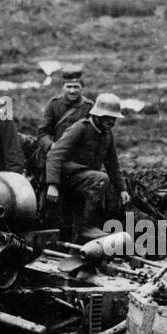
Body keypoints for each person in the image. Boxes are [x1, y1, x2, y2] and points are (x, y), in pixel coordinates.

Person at [45, 92, 132, 240]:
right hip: (67, 177)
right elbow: (55, 154)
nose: (112, 122)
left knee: (106, 184)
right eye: (108, 117)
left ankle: (89, 229)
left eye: (114, 118)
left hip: (86, 179)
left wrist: (122, 190)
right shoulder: (80, 128)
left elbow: (113, 164)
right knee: (101, 179)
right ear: (97, 115)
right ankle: (86, 227)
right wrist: (52, 184)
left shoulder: (107, 135)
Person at [36, 66, 93, 166]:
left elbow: (93, 136)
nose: (72, 91)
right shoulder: (54, 104)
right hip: (56, 154)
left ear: (82, 88)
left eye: (76, 87)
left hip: (80, 157)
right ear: (63, 87)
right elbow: (43, 132)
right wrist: (51, 146)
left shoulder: (88, 106)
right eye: (69, 87)